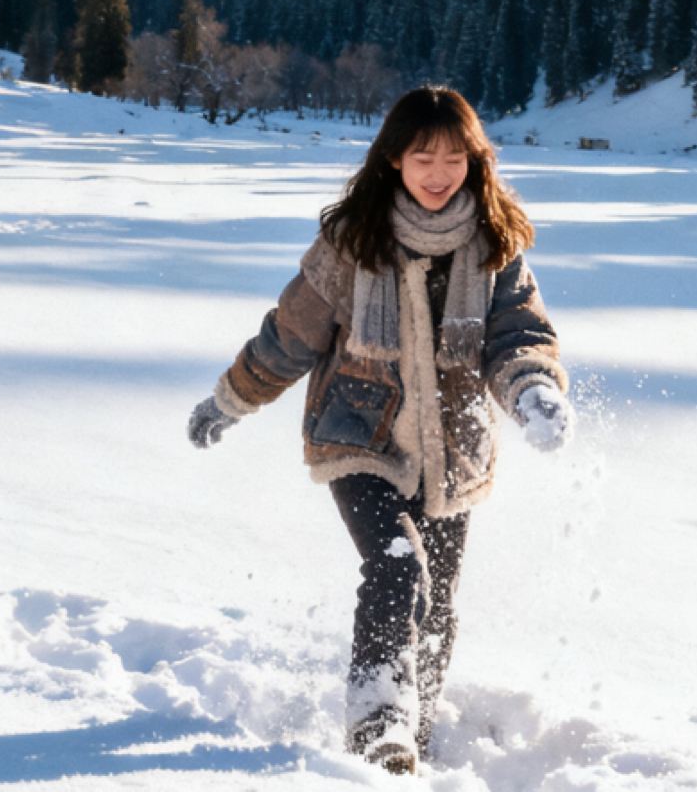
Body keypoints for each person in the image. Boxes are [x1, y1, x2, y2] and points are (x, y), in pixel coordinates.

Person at [187, 85, 572, 776]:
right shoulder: (353, 240)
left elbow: (516, 338)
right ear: (394, 158)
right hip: (359, 437)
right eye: (423, 156)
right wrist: (230, 399)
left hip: (452, 451)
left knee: (438, 604)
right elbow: (290, 338)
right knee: (399, 565)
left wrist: (534, 390)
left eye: (453, 157)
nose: (437, 172)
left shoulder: (494, 245)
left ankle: (413, 732)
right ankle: (375, 721)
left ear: (474, 161)